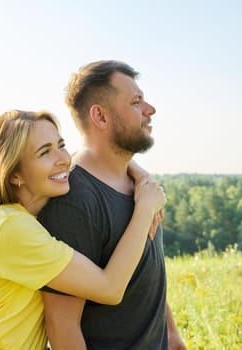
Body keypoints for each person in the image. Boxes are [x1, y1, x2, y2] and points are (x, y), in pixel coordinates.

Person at [0, 110, 166, 350]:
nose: (63, 159)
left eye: (61, 145)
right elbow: (110, 288)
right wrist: (145, 207)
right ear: (15, 174)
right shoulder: (12, 228)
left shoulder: (23, 216)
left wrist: (140, 174)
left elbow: (89, 156)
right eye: (45, 152)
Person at [38, 60, 186, 349]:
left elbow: (142, 270)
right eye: (136, 102)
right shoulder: (73, 202)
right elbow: (62, 325)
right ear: (100, 117)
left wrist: (170, 332)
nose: (150, 109)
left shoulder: (141, 188)